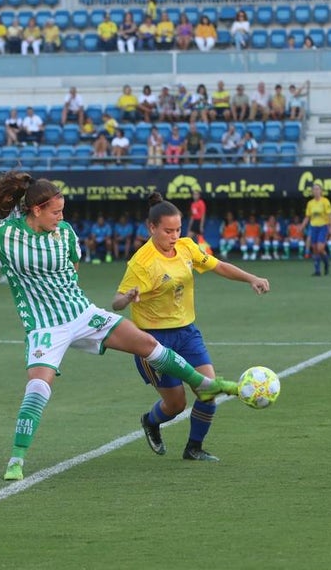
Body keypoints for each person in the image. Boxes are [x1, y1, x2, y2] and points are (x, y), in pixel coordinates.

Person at [0, 172, 244, 480]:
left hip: (82, 314)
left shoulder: (66, 233)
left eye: (62, 211)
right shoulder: (4, 235)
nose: (61, 217)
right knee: (38, 388)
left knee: (148, 345)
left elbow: (72, 266)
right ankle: (16, 460)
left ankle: (206, 386)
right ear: (36, 210)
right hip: (45, 327)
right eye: (55, 212)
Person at [113, 193, 269, 463]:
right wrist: (127, 298)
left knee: (208, 391)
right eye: (168, 231)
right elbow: (116, 302)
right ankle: (151, 421)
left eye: (178, 229)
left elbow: (218, 265)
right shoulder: (142, 263)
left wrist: (251, 278)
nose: (174, 236)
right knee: (176, 405)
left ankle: (194, 448)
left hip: (187, 334)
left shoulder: (186, 247)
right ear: (151, 227)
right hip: (153, 342)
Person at [299, 183, 331, 276]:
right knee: (314, 249)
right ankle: (317, 270)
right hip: (313, 227)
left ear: (321, 191)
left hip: (323, 226)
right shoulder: (310, 203)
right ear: (312, 191)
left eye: (318, 189)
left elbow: (329, 215)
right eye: (314, 189)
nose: (316, 191)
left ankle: (326, 263)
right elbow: (307, 216)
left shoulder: (325, 201)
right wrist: (302, 226)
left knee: (320, 248)